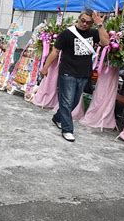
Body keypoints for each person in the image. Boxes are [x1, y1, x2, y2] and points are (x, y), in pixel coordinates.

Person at [40, 9, 109, 142]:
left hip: (84, 73)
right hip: (67, 72)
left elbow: (105, 43)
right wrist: (45, 67)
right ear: (78, 19)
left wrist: (100, 25)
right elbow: (55, 52)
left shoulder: (94, 33)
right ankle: (67, 129)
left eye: (88, 22)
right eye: (82, 21)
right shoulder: (66, 34)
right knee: (66, 102)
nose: (85, 24)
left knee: (75, 101)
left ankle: (57, 118)